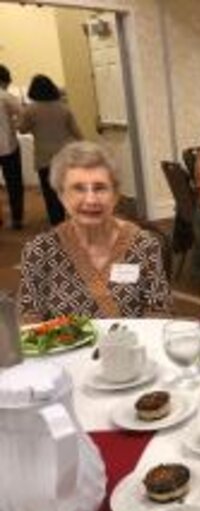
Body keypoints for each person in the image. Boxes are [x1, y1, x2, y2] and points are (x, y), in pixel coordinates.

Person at [18, 141, 172, 323]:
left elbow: (159, 312)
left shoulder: (143, 245)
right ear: (61, 195)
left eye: (100, 188)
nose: (91, 200)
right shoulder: (40, 250)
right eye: (78, 188)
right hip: (63, 349)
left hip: (129, 348)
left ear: (115, 195)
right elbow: (29, 320)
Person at [19, 74, 82, 225]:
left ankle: (57, 222)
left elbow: (22, 130)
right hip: (65, 155)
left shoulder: (30, 110)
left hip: (44, 156)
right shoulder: (64, 108)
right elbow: (76, 132)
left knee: (49, 192)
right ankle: (73, 217)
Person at [0, 64, 23, 230]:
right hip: (8, 146)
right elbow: (23, 114)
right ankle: (16, 219)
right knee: (14, 183)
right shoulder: (5, 97)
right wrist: (15, 125)